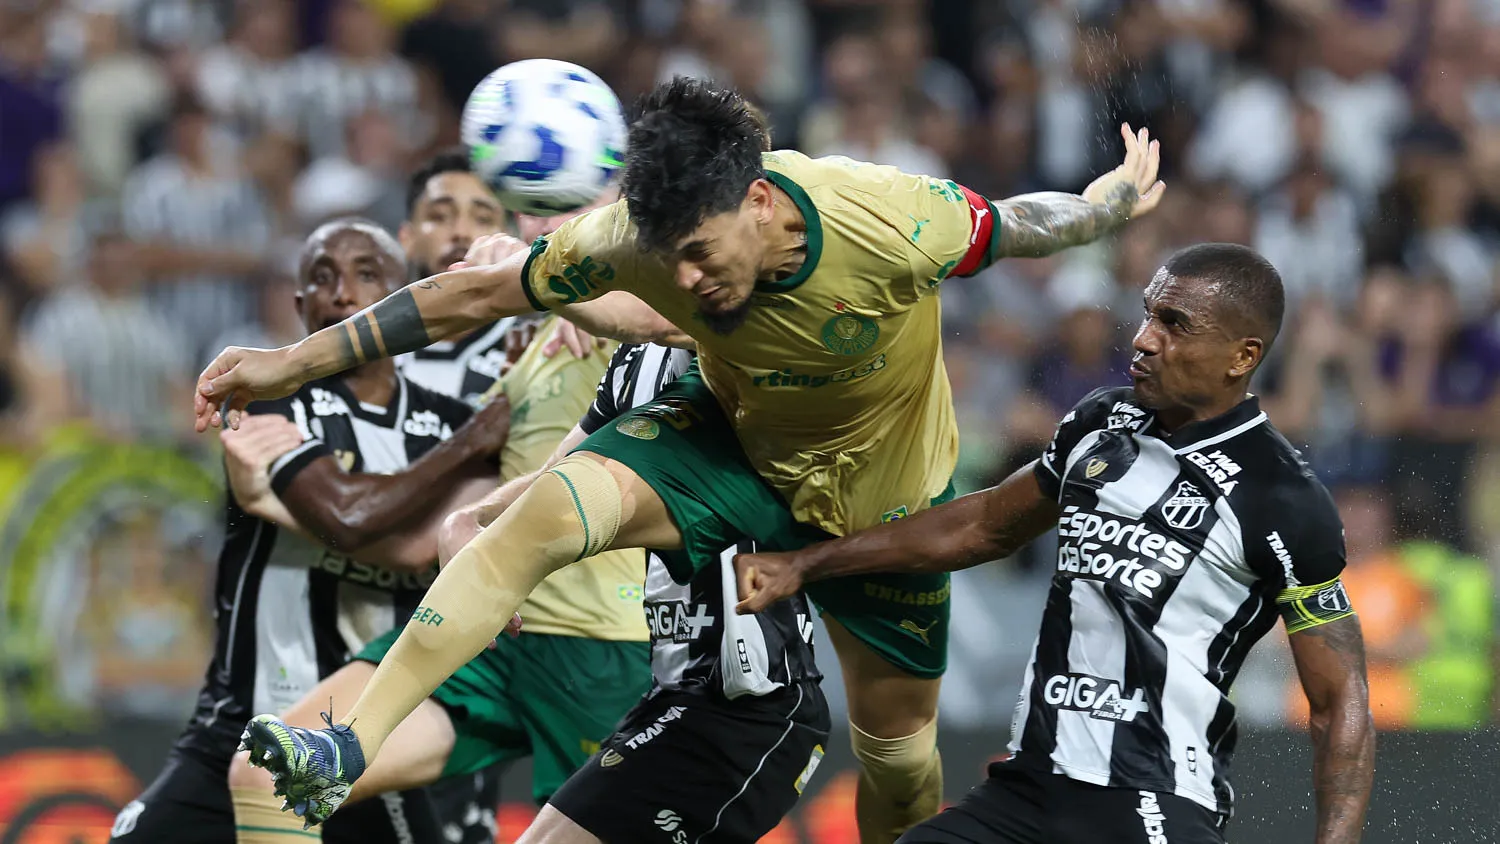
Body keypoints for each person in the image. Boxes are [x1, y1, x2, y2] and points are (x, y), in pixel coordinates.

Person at [198, 76, 1164, 842]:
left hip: (885, 499)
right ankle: (343, 747)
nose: (689, 282)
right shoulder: (633, 235)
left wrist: (1105, 203)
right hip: (732, 442)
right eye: (671, 260)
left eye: (701, 254)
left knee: (900, 760)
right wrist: (288, 361)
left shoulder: (886, 215)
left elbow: (1022, 224)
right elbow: (461, 300)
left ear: (757, 199)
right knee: (535, 521)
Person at [734, 244, 1376, 844]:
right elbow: (982, 524)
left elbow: (1339, 700)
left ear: (1243, 356)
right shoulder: (1100, 424)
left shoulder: (1283, 499)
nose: (1145, 339)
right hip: (1028, 789)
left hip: (1152, 800)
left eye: (1176, 325)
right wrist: (806, 563)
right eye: (1150, 314)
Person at [224, 188, 659, 844]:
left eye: (564, 202)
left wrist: (576, 292)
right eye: (530, 208)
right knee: (266, 778)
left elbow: (668, 316)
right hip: (485, 635)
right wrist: (279, 503)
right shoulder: (524, 353)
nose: (543, 223)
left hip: (600, 649)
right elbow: (442, 526)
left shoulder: (638, 309)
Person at [110, 218, 509, 844]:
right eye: (322, 278)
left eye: (368, 274)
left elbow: (428, 542)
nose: (343, 292)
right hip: (240, 721)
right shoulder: (267, 403)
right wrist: (469, 451)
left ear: (407, 299)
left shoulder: (448, 422)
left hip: (355, 737)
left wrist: (303, 507)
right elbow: (345, 518)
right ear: (299, 306)